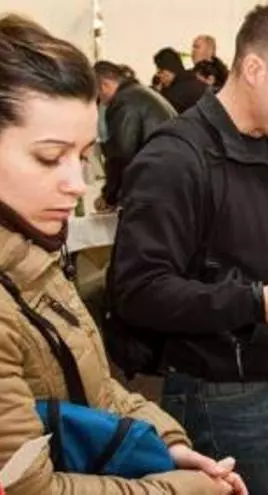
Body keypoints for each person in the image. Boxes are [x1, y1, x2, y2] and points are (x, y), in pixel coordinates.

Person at [0, 14, 244, 495]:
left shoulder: (34, 256)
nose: (76, 184)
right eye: (49, 158)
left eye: (83, 156)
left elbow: (93, 387)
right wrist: (185, 489)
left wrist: (167, 445)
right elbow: (32, 489)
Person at [111, 4, 268, 494]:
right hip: (223, 394)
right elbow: (138, 290)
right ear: (253, 69)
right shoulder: (176, 158)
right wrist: (258, 303)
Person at [93, 60, 177, 211]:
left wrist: (109, 196)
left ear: (104, 86)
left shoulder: (123, 102)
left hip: (154, 184)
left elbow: (121, 154)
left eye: (98, 95)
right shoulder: (141, 92)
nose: (101, 102)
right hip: (172, 176)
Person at [153, 47, 207, 113]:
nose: (159, 75)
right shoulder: (197, 82)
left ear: (170, 70)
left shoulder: (174, 94)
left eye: (160, 71)